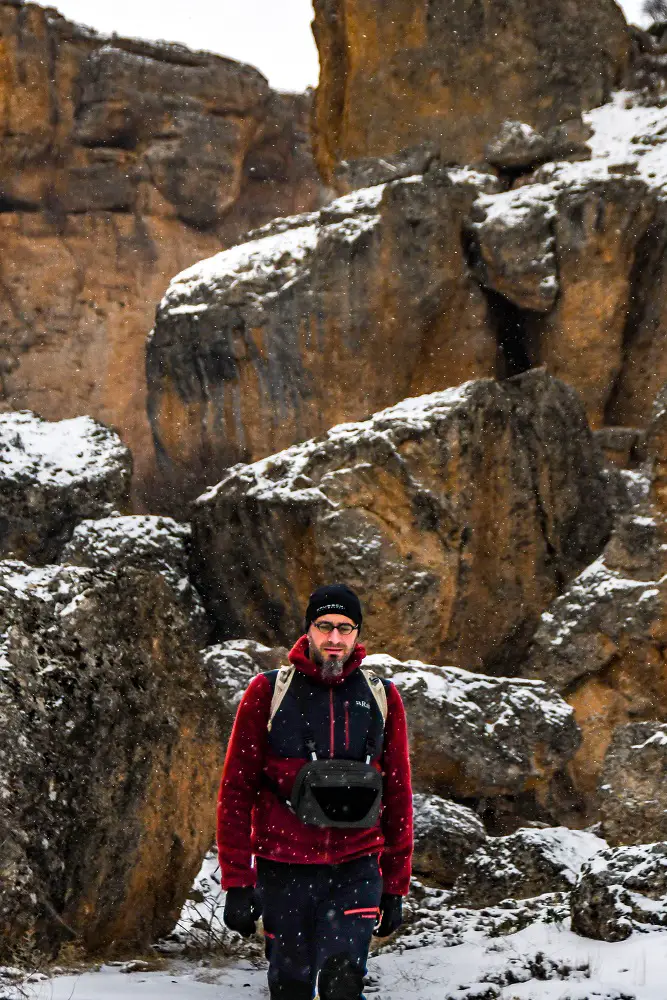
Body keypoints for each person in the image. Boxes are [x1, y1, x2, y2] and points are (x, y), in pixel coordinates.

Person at [217, 583, 413, 1000]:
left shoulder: (382, 696)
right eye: (325, 626)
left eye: (346, 628)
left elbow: (398, 795)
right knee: (291, 987)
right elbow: (236, 791)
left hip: (356, 868)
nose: (335, 639)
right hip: (283, 868)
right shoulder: (268, 692)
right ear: (308, 629)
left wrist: (395, 887)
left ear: (358, 634)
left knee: (343, 981)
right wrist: (237, 881)